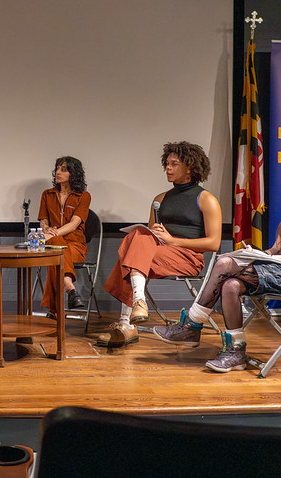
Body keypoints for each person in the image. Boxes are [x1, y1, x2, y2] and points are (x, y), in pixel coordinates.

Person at [154, 157, 281, 373]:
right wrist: (259, 254)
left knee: (225, 262)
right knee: (230, 286)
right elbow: (276, 248)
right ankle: (236, 351)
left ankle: (192, 324)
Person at [99, 142, 222, 347]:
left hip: (188, 258)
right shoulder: (160, 198)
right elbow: (147, 240)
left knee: (130, 254)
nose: (168, 168)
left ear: (190, 167)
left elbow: (214, 243)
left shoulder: (206, 199)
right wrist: (155, 236)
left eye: (174, 164)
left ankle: (126, 323)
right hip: (158, 255)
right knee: (138, 238)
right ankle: (136, 307)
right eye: (167, 163)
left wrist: (173, 240)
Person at [37, 156, 92, 316]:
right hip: (54, 244)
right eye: (58, 169)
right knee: (57, 249)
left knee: (56, 253)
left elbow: (75, 223)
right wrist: (47, 229)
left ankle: (54, 310)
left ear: (74, 174)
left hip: (75, 246)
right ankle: (70, 287)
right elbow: (43, 221)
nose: (58, 172)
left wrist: (52, 234)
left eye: (64, 169)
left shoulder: (83, 196)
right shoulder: (47, 194)